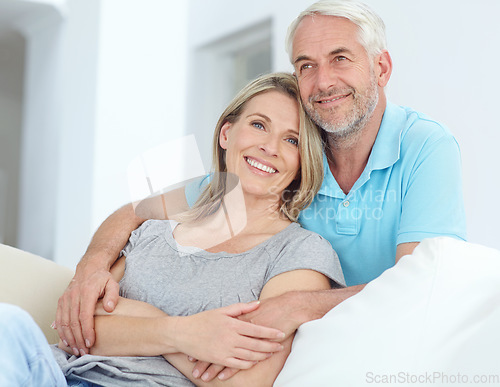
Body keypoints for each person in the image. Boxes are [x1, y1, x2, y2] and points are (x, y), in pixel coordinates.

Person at [56, 0, 467, 381]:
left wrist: (301, 305)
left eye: (340, 58)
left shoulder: (425, 146)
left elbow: (424, 282)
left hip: (381, 353)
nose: (323, 80)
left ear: (381, 68)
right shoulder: (285, 161)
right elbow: (138, 211)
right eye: (306, 65)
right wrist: (91, 269)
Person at [3, 72, 344, 386]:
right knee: (8, 326)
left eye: (292, 141)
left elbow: (247, 381)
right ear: (227, 133)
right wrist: (184, 333)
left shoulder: (300, 251)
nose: (270, 147)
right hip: (54, 373)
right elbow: (77, 328)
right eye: (258, 125)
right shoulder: (157, 228)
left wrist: (134, 319)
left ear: (304, 161)